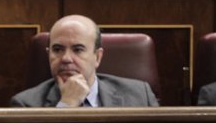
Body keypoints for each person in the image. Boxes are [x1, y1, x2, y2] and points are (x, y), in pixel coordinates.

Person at [9, 15, 159, 107]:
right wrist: (66, 105)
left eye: (78, 49)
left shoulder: (139, 96)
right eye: (58, 49)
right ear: (48, 54)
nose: (66, 58)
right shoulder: (26, 104)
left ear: (97, 57)